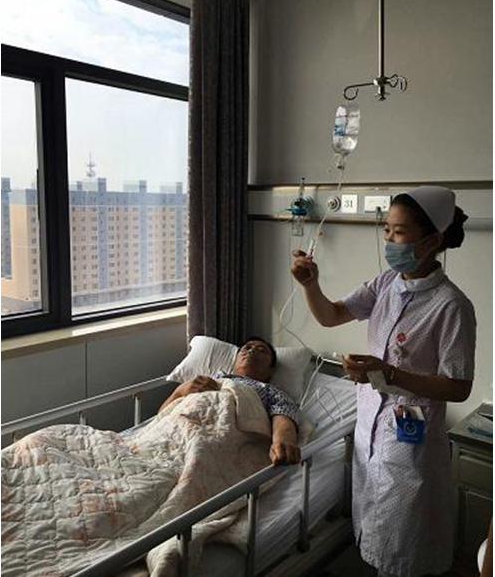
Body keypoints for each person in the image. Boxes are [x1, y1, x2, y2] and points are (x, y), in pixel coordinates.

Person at [291, 186, 476, 577]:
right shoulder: (386, 283)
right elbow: (331, 315)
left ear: (432, 240)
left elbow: (458, 386)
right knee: (377, 537)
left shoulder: (452, 306)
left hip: (411, 442)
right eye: (386, 229)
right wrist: (310, 285)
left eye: (400, 232)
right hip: (371, 429)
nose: (389, 240)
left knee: (405, 544)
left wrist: (388, 373)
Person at [159, 337, 301, 466]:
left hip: (216, 438)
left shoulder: (271, 392)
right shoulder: (206, 380)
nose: (251, 351)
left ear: (271, 370)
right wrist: (180, 391)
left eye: (261, 350)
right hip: (172, 433)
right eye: (247, 348)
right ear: (236, 360)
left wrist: (282, 441)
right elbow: (161, 415)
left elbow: (283, 417)